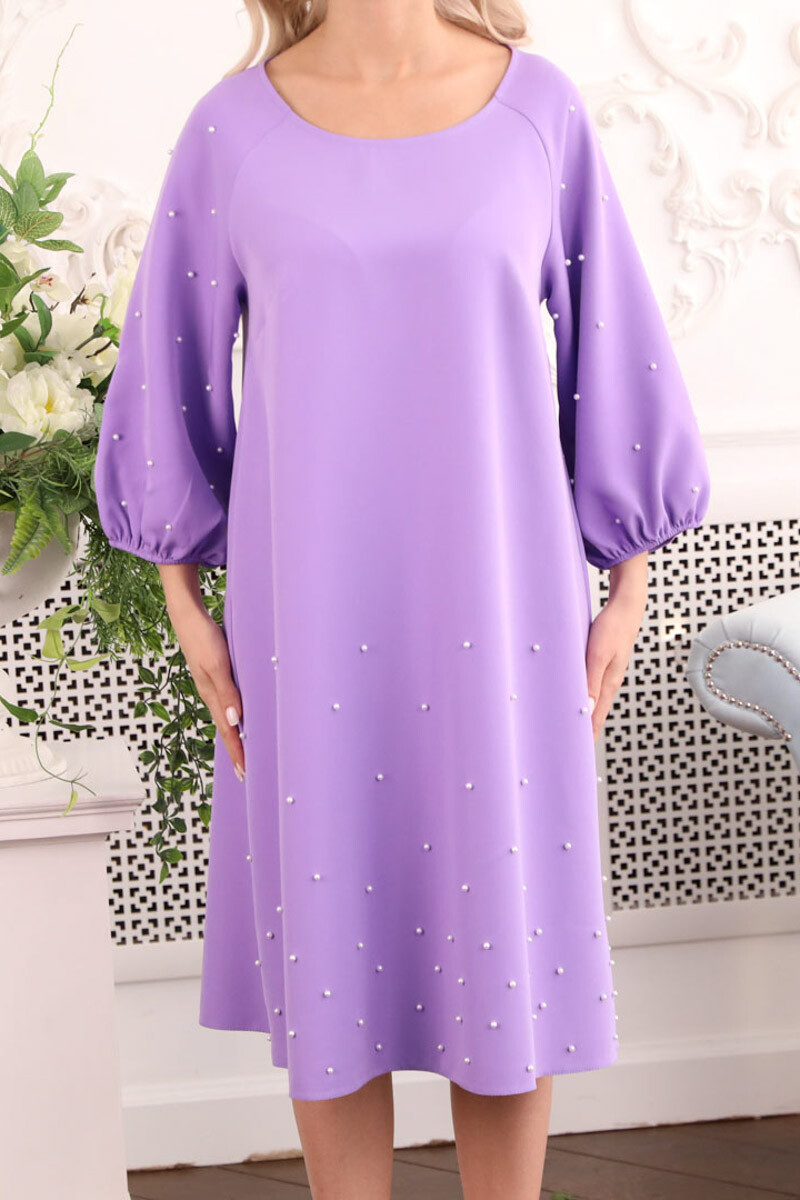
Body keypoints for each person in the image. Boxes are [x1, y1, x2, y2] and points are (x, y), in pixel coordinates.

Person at [93, 2, 711, 1197]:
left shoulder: (538, 111)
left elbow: (612, 343)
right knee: (329, 939)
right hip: (304, 611)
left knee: (505, 945)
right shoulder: (231, 132)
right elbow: (169, 368)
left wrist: (627, 583)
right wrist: (182, 599)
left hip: (503, 597)